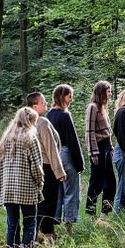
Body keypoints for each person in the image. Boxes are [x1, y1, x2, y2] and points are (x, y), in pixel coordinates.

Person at [0, 107, 44, 248]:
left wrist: (2, 188)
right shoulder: (30, 138)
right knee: (30, 222)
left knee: (12, 223)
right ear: (29, 121)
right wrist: (40, 182)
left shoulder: (5, 140)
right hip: (27, 189)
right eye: (34, 121)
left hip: (8, 190)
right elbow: (36, 166)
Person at [27, 92, 66, 243]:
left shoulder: (25, 122)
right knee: (48, 203)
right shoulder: (42, 122)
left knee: (38, 203)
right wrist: (59, 172)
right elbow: (51, 149)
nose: (46, 104)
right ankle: (48, 237)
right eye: (43, 103)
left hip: (33, 167)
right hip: (47, 167)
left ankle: (34, 236)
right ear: (34, 106)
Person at [48, 84, 84, 234]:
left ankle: (54, 222)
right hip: (66, 154)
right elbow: (72, 140)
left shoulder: (49, 115)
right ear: (62, 96)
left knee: (57, 192)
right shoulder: (65, 115)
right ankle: (69, 227)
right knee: (71, 191)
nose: (71, 99)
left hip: (53, 156)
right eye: (70, 96)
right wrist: (79, 163)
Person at [84, 80, 116, 219]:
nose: (110, 94)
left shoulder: (103, 108)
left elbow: (107, 132)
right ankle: (91, 214)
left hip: (106, 148)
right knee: (96, 182)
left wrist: (110, 147)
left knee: (110, 182)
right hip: (97, 148)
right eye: (108, 91)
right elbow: (89, 131)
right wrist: (93, 152)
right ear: (101, 92)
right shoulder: (93, 107)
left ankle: (105, 214)